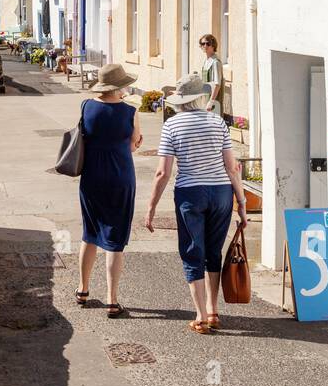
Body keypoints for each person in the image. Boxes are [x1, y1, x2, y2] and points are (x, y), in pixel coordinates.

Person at [145, 72, 249, 334]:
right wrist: (242, 202)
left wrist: (151, 207)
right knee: (214, 252)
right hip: (222, 193)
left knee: (193, 253)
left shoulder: (172, 125)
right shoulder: (217, 122)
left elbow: (163, 172)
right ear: (199, 97)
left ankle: (200, 316)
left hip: (191, 193)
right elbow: (232, 167)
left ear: (179, 100)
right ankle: (214, 311)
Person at [76, 64, 142, 318]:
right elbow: (133, 146)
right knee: (114, 240)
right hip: (120, 178)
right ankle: (112, 300)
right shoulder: (130, 112)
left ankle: (83, 289)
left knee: (89, 233)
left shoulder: (86, 107)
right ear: (119, 86)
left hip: (91, 178)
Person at [200, 33, 225, 117]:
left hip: (213, 100)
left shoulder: (215, 62)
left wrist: (211, 102)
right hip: (205, 98)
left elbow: (217, 84)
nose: (205, 46)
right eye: (203, 44)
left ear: (213, 45)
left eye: (208, 43)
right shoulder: (206, 61)